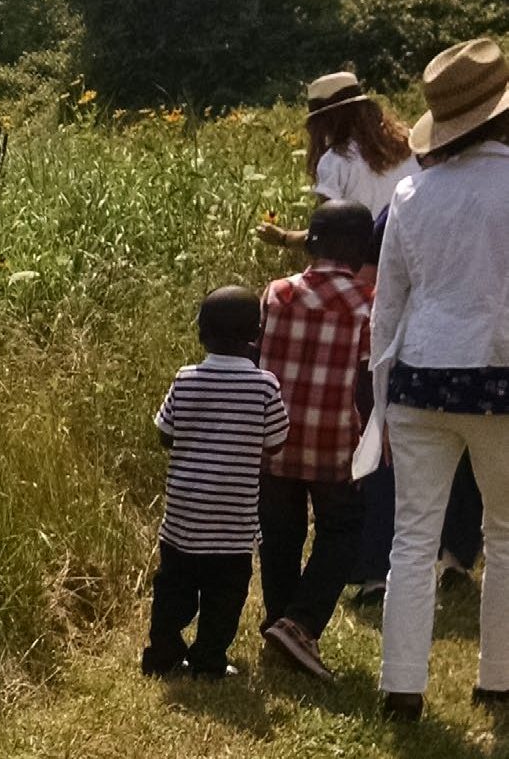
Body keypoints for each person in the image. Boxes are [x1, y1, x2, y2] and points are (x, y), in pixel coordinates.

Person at [374, 38, 509, 721]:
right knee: (506, 533)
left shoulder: (407, 192)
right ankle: (496, 678)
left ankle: (401, 687)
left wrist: (379, 399)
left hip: (419, 376)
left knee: (412, 536)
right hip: (497, 375)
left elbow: (386, 307)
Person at [144, 286, 289, 680]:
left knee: (173, 587)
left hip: (183, 516)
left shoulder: (186, 378)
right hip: (233, 521)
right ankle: (208, 659)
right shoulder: (264, 386)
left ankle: (163, 653)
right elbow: (276, 442)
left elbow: (164, 433)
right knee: (224, 596)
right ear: (256, 336)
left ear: (200, 332)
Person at [257, 201, 375, 680]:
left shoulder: (276, 293)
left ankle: (277, 619)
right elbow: (366, 378)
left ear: (311, 243)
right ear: (360, 248)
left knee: (280, 536)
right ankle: (300, 622)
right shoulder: (369, 303)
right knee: (342, 530)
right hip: (334, 442)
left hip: (276, 438)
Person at [349, 198, 485, 607]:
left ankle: (377, 571)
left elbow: (375, 285)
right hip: (488, 359)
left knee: (393, 469)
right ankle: (456, 558)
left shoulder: (407, 202)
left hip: (415, 357)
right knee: (471, 467)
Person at [257, 71, 420, 258]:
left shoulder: (334, 162)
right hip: (422, 249)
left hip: (373, 266)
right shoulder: (411, 140)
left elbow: (328, 236)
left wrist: (283, 237)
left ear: (325, 122)